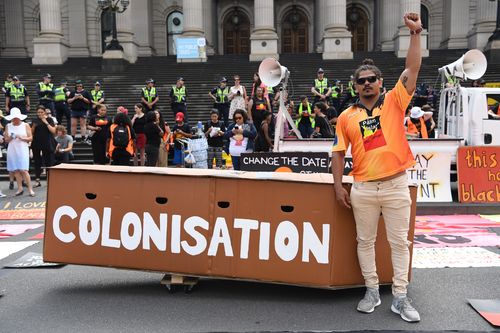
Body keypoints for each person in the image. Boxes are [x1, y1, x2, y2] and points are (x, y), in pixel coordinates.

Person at [331, 12, 423, 323]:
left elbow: (412, 67)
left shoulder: (395, 101)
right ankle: (371, 290)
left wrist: (414, 34)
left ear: (380, 83)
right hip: (363, 188)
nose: (367, 84)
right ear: (355, 86)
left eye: (372, 79)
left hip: (396, 184)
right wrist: (337, 185)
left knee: (400, 242)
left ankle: (399, 296)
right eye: (362, 81)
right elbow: (339, 153)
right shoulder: (346, 117)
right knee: (365, 241)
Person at [4, 107, 35, 196]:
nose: (15, 119)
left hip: (22, 149)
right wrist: (11, 137)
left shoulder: (25, 125)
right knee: (16, 170)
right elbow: (6, 139)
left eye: (16, 118)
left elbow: (31, 138)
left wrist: (22, 138)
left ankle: (30, 189)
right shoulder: (8, 126)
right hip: (12, 149)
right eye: (14, 118)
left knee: (24, 170)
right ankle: (20, 188)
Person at [31, 105, 56, 187]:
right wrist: (33, 127)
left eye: (41, 112)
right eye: (38, 112)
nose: (40, 114)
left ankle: (49, 180)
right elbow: (31, 133)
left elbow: (53, 131)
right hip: (36, 143)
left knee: (48, 161)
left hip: (47, 143)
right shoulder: (34, 120)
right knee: (37, 162)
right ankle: (37, 180)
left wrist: (45, 122)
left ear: (45, 112)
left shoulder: (49, 119)